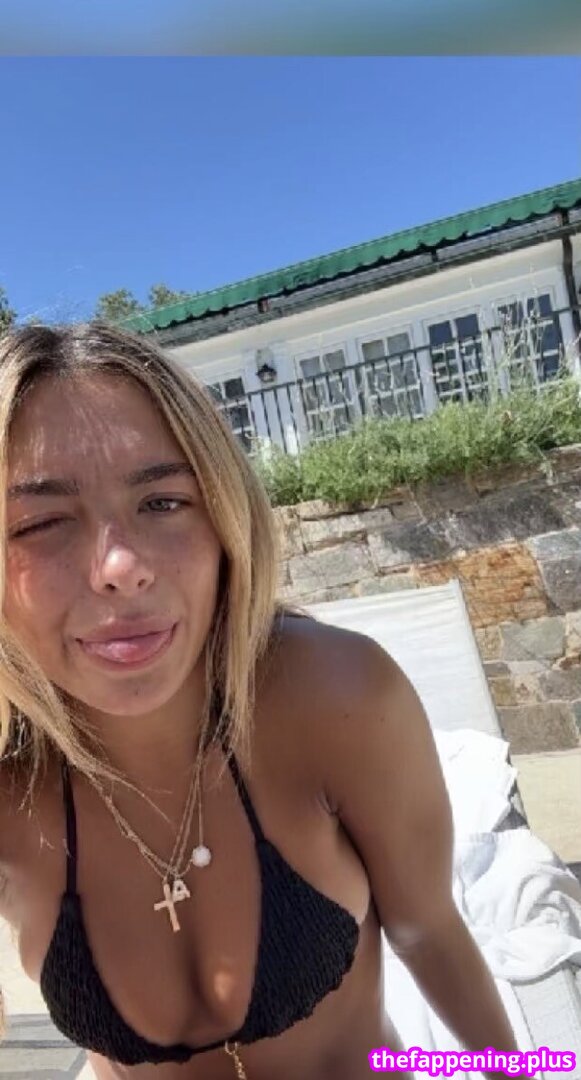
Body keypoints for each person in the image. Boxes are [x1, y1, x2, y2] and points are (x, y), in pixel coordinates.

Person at [0, 322, 521, 1080]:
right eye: (41, 522)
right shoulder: (10, 783)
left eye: (164, 501)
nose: (119, 566)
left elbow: (427, 929)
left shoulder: (335, 695)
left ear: (224, 518)